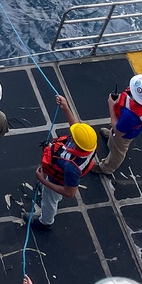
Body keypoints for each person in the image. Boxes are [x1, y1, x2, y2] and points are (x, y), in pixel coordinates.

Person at [91, 39, 142, 176]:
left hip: (124, 133)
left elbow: (119, 130)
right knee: (113, 135)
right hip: (122, 124)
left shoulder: (131, 115)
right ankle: (110, 140)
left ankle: (106, 168)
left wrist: (111, 106)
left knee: (119, 149)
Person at [33, 95, 98, 230]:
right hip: (58, 173)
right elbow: (77, 131)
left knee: (49, 201)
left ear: (76, 144)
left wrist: (44, 181)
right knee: (53, 196)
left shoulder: (72, 167)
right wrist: (66, 109)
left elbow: (69, 193)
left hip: (58, 181)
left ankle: (45, 222)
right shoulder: (89, 144)